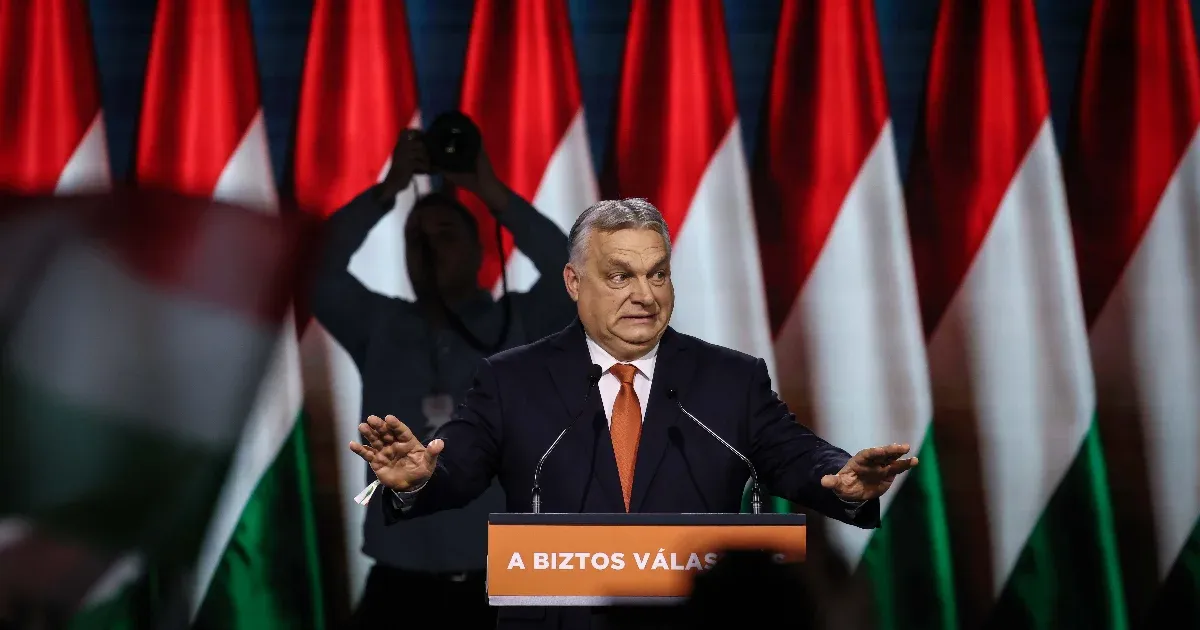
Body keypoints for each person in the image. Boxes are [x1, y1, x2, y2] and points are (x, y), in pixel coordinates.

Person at [348, 198, 918, 630]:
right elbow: (460, 462)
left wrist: (842, 479)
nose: (645, 294)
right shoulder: (512, 378)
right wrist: (419, 479)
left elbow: (792, 451)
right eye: (620, 276)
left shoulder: (729, 377)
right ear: (574, 283)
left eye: (657, 273)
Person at [312, 128, 575, 629]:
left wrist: (488, 191)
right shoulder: (379, 327)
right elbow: (312, 269)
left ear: (480, 252)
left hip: (505, 588)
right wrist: (387, 190)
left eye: (446, 235)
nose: (429, 249)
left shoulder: (521, 324)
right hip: (400, 586)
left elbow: (579, 272)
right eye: (417, 239)